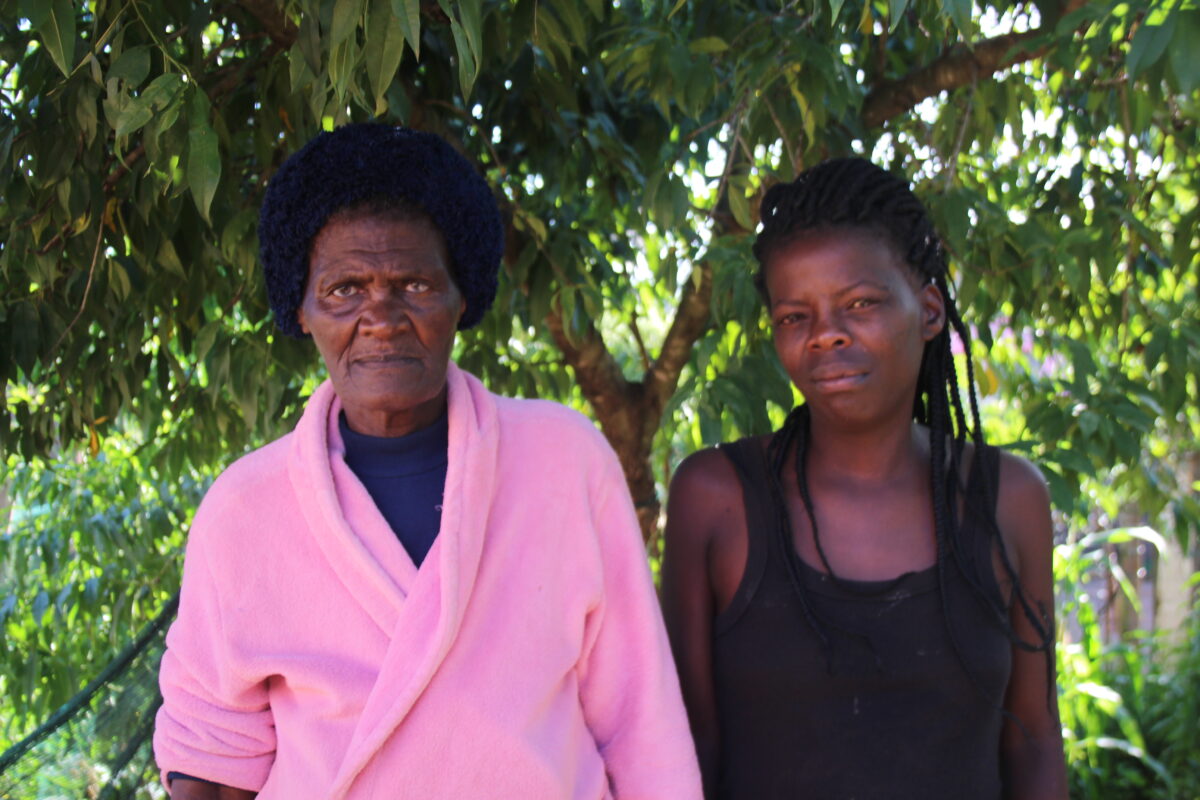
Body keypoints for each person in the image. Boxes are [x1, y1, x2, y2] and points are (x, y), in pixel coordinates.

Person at [154, 123, 702, 799]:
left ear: (461, 295)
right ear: (300, 309)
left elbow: (639, 718)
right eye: (343, 289)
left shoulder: (563, 460)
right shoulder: (245, 509)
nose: (379, 316)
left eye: (413, 285)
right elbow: (211, 755)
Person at [661, 157, 1068, 799]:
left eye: (860, 304)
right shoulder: (717, 500)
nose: (826, 336)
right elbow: (686, 747)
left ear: (929, 310)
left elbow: (1036, 740)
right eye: (796, 316)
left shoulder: (1007, 499)